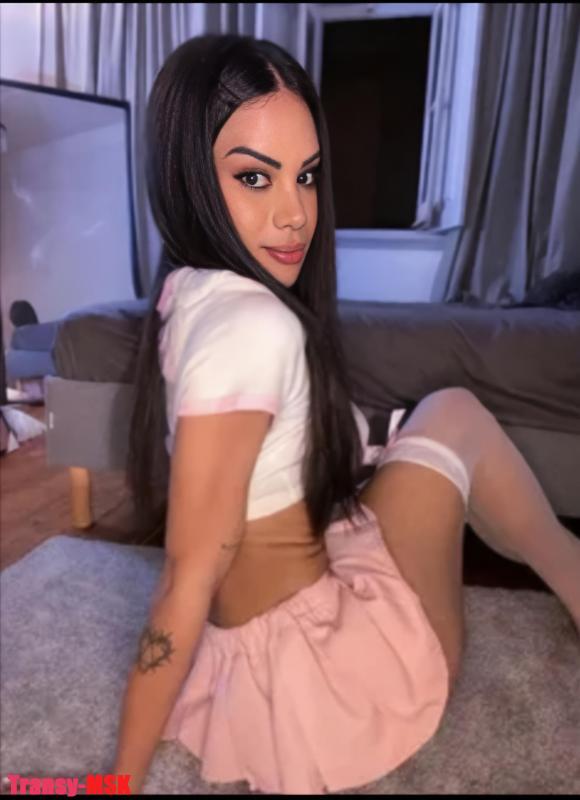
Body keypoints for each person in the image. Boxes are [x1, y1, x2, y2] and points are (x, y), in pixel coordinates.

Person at [112, 33, 580, 795]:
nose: (295, 214)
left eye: (306, 175)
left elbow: (252, 467)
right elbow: (186, 579)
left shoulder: (186, 291)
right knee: (456, 414)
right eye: (255, 178)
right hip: (330, 685)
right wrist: (116, 783)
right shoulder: (255, 326)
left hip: (260, 647)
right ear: (187, 175)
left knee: (422, 438)